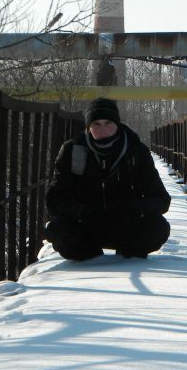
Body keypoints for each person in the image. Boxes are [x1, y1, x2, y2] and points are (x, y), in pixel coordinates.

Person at [44, 97, 171, 260]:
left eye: (108, 123)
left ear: (117, 125)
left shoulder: (136, 151)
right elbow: (54, 200)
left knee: (158, 227)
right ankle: (92, 258)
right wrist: (82, 213)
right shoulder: (72, 150)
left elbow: (161, 199)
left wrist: (135, 209)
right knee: (56, 230)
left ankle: (128, 256)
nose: (103, 130)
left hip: (126, 226)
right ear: (88, 127)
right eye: (96, 124)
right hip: (87, 226)